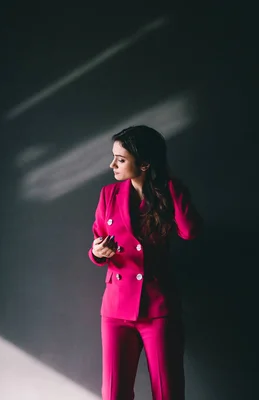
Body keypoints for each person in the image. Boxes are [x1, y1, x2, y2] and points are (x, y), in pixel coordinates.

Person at [88, 125, 202, 400]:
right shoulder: (108, 195)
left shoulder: (169, 192)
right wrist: (98, 251)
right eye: (113, 156)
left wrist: (171, 186)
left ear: (144, 164)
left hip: (158, 307)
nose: (112, 164)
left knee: (167, 392)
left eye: (121, 159)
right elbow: (96, 243)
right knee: (114, 394)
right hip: (116, 308)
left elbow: (189, 231)